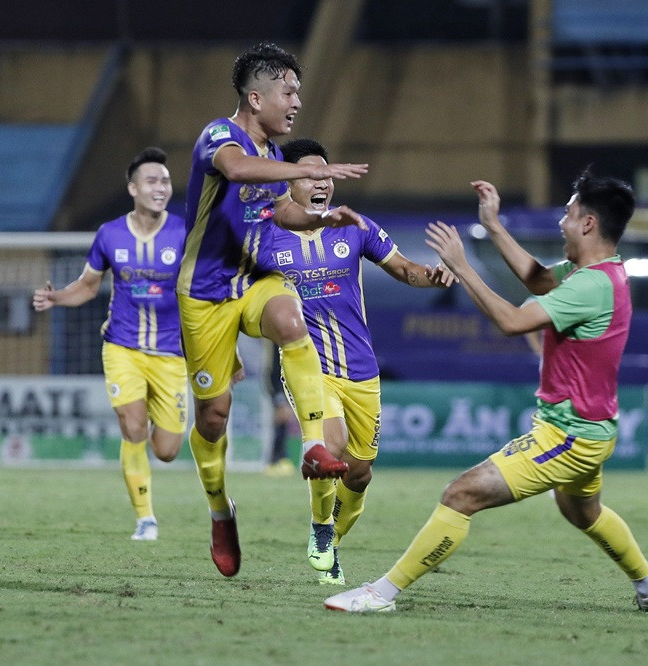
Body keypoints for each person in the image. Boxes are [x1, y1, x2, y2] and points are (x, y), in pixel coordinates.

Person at [324, 169, 648, 612]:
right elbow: (535, 280)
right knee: (582, 512)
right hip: (593, 427)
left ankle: (381, 593)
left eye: (568, 214)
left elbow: (512, 321)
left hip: (569, 435)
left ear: (588, 223)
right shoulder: (599, 273)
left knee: (461, 494)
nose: (561, 222)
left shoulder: (590, 285)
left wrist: (462, 267)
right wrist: (493, 225)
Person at [178, 42, 371, 578]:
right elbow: (238, 171)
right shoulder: (221, 136)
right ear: (255, 96)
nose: (296, 104)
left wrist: (319, 219)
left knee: (291, 319)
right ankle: (220, 510)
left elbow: (279, 209)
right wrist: (297, 172)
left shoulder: (276, 161)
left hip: (255, 279)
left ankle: (312, 446)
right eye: (288, 93)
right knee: (213, 418)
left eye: (298, 94)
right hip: (204, 293)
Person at [274, 138, 455, 585]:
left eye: (326, 175)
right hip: (308, 366)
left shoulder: (354, 227)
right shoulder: (267, 236)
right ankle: (319, 528)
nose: (321, 183)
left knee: (359, 474)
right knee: (329, 446)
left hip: (361, 370)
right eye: (308, 176)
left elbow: (403, 268)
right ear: (286, 184)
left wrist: (433, 277)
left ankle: (330, 541)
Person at [33, 147, 186, 542]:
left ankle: (153, 424)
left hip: (171, 353)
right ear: (133, 188)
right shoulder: (110, 234)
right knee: (132, 426)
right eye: (152, 180)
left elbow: (201, 292)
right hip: (122, 347)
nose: (161, 187)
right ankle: (145, 518)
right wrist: (57, 298)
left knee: (167, 450)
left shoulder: (184, 233)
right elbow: (88, 285)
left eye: (165, 181)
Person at [263, 341, 297, 477]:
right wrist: (278, 397)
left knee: (287, 420)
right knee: (281, 418)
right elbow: (271, 369)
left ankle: (281, 458)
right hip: (278, 386)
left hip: (293, 384)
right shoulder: (275, 340)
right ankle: (274, 459)